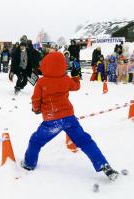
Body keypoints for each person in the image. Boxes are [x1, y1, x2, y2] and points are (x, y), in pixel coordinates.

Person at [21, 52, 119, 181]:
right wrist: (76, 77)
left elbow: (36, 100)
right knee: (85, 141)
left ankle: (29, 163)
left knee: (36, 141)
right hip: (69, 118)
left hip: (52, 121)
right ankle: (103, 164)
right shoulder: (65, 79)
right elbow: (76, 86)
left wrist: (36, 109)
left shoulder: (42, 82)